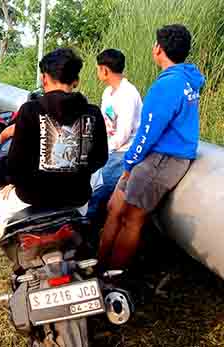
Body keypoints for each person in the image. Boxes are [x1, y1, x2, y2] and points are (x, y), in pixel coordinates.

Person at [98, 24, 205, 270]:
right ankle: (100, 265)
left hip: (162, 158)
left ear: (159, 49)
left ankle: (112, 277)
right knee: (114, 207)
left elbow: (147, 133)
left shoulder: (168, 85)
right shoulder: (186, 79)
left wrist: (128, 165)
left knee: (132, 218)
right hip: (158, 155)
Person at [0, 48, 108, 234]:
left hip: (31, 198)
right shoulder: (92, 113)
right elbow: (100, 158)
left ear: (44, 79)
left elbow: (15, 163)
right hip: (77, 199)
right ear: (75, 80)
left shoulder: (29, 110)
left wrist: (10, 181)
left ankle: (18, 248)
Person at [87, 49, 142, 228]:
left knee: (97, 191)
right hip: (110, 148)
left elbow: (123, 135)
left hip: (122, 152)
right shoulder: (108, 93)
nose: (97, 73)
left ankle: (88, 233)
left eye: (98, 69)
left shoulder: (128, 94)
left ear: (105, 70)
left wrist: (101, 151)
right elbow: (105, 124)